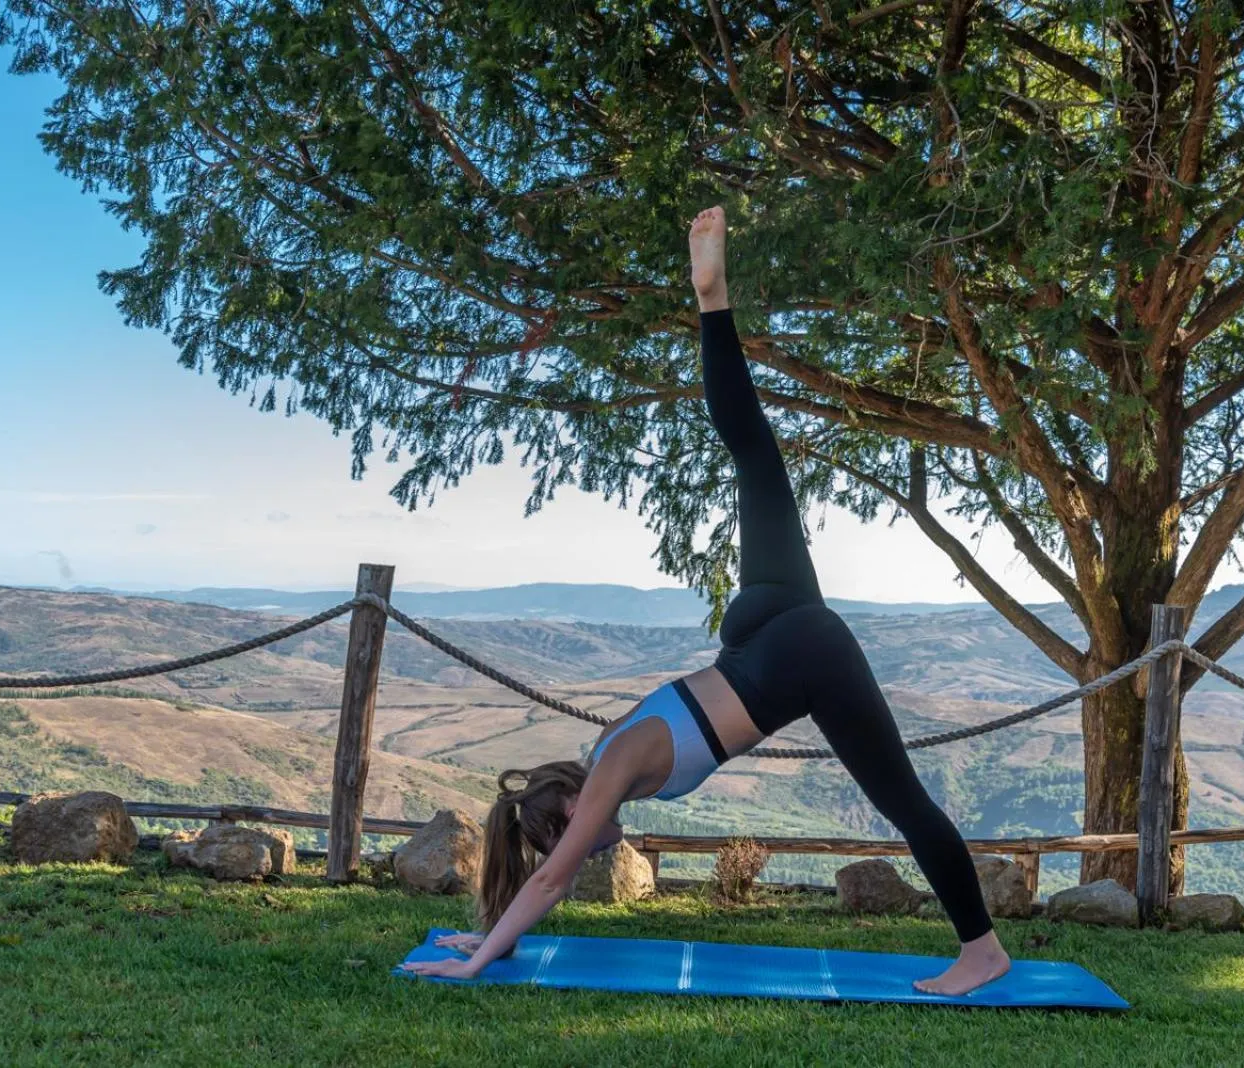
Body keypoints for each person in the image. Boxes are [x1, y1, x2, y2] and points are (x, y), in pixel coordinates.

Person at [402, 207, 1011, 996]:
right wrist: (488, 931)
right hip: (764, 625)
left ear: (565, 816)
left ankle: (983, 952)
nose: (582, 853)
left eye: (569, 841)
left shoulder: (611, 768)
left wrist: (477, 960)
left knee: (905, 801)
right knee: (751, 452)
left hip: (798, 654)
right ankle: (712, 300)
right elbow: (546, 874)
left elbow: (548, 881)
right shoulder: (602, 757)